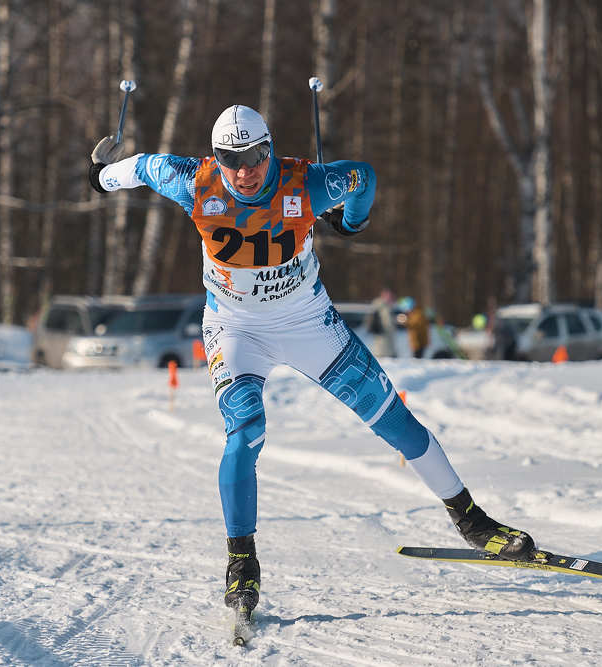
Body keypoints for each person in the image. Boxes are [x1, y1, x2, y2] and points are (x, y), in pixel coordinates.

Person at [88, 104, 534, 618]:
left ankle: (473, 522)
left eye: (255, 156)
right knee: (244, 433)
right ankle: (241, 561)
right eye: (230, 159)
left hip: (308, 325)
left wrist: (351, 221)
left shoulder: (305, 184)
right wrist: (101, 178)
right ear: (216, 157)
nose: (244, 170)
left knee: (395, 422)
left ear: (270, 148)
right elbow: (141, 167)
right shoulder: (194, 181)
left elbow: (362, 176)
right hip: (236, 330)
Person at [364, 288, 397, 357]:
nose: (390, 298)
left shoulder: (388, 306)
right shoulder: (379, 305)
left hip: (387, 331)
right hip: (381, 330)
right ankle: (381, 356)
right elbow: (376, 318)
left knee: (387, 344)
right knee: (381, 345)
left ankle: (390, 355)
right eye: (388, 296)